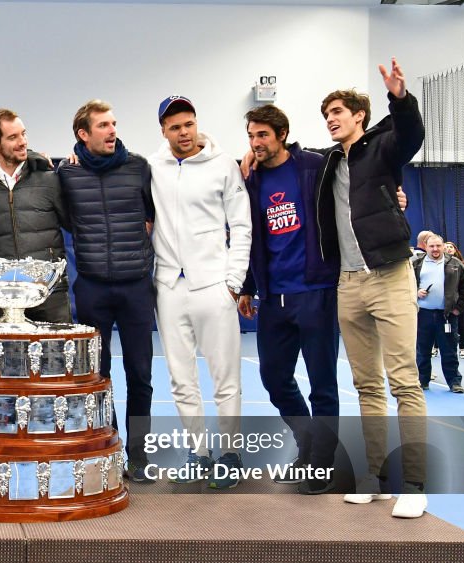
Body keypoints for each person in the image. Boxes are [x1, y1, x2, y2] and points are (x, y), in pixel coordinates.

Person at [316, 58, 428, 518]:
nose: (331, 120)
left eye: (338, 112)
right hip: (349, 283)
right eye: (326, 115)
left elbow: (411, 134)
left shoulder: (382, 148)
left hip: (389, 275)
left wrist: (400, 98)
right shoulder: (326, 163)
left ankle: (416, 484)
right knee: (366, 385)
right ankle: (377, 477)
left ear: (358, 115)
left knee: (404, 381)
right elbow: (282, 153)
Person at [149, 95, 252, 490]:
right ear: (164, 131)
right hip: (169, 287)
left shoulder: (223, 165)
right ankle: (199, 452)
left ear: (197, 124)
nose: (184, 133)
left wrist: (232, 282)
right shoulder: (153, 166)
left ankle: (230, 453)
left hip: (213, 287)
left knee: (225, 376)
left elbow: (241, 225)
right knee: (181, 377)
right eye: (175, 127)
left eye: (188, 124)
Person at [237, 104, 340, 494]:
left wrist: (395, 197)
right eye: (251, 136)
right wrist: (248, 285)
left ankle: (321, 463)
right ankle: (309, 444)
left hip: (315, 291)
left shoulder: (314, 166)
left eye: (262, 135)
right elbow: (249, 237)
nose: (255, 143)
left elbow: (354, 192)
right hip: (273, 295)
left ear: (281, 134)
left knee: (322, 384)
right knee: (274, 378)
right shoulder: (251, 179)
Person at [56, 99, 156, 483]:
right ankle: (109, 445)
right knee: (98, 375)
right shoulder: (67, 173)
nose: (112, 130)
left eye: (113, 123)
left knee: (141, 373)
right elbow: (66, 216)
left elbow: (152, 213)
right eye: (102, 125)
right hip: (94, 287)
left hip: (135, 288)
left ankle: (139, 455)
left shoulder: (139, 167)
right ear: (83, 134)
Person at [0, 108, 72, 323]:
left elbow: (75, 224)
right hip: (5, 293)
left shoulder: (48, 177)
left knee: (56, 356)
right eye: (13, 137)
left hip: (50, 291)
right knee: (10, 357)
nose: (22, 142)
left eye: (23, 133)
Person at [413, 232, 464, 393]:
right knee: (422, 350)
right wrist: (416, 291)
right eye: (432, 246)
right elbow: (406, 286)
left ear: (443, 247)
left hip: (446, 316)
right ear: (426, 247)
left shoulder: (456, 264)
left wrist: (458, 309)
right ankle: (422, 380)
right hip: (422, 314)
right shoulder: (416, 263)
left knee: (449, 350)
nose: (435, 249)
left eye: (438, 246)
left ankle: (454, 382)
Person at [443, 241, 464, 358]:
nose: (449, 249)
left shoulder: (461, 264)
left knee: (460, 324)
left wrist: (460, 304)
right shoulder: (438, 264)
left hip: (458, 302)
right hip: (443, 302)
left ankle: (462, 348)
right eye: (446, 247)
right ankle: (436, 347)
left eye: (451, 247)